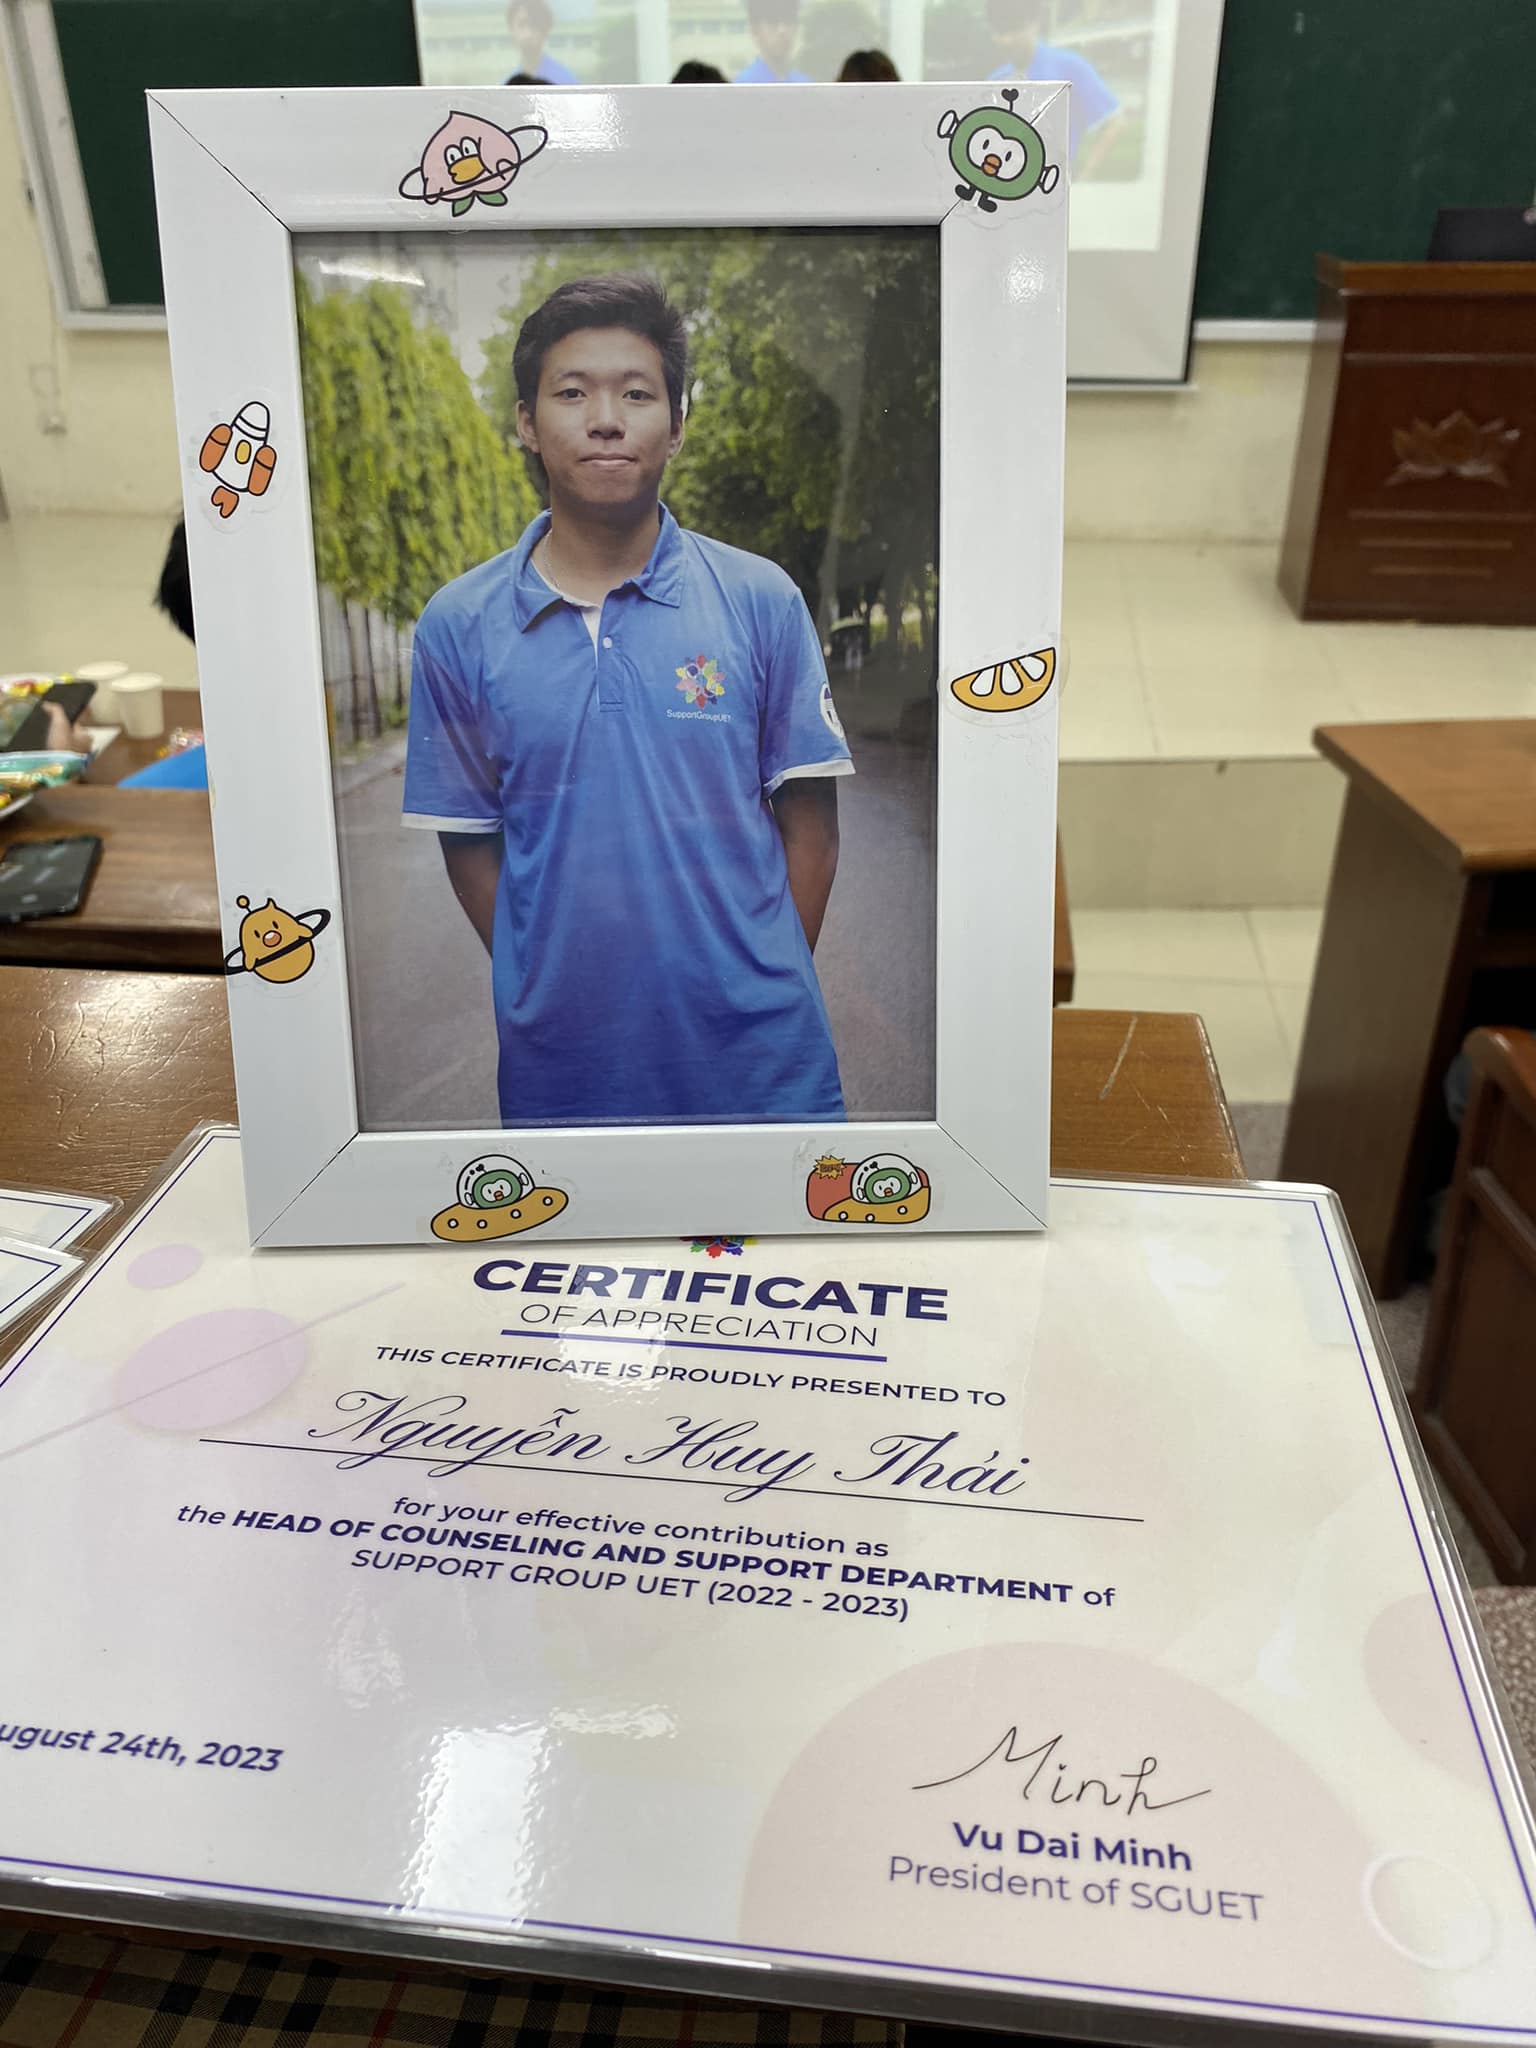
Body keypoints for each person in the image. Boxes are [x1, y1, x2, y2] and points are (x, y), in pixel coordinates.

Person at [402, 274, 853, 1129]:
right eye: (572, 393)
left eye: (637, 394)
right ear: (527, 422)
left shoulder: (760, 599)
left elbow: (813, 834)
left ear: (676, 426)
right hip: (564, 1074)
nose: (605, 419)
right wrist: (550, 981)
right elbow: (470, 844)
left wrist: (750, 985)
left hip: (766, 1072)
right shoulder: (457, 625)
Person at [986, 0, 1124, 174]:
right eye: (999, 31)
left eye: (1014, 29)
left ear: (1034, 23)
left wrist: (1085, 176)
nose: (1006, 40)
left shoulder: (1069, 66)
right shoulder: (996, 79)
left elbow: (1114, 122)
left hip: (1055, 178)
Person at [735, 0, 808, 83]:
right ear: (755, 30)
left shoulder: (804, 83)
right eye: (773, 21)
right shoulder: (744, 85)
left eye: (788, 21)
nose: (782, 30)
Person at [505, 0, 576, 85]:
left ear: (545, 29)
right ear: (511, 29)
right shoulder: (507, 86)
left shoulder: (566, 82)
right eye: (522, 24)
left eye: (534, 24)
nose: (528, 33)